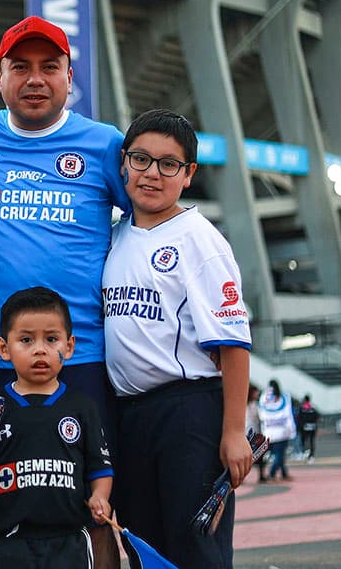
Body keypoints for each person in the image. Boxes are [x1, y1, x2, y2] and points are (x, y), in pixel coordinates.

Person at [0, 15, 129, 566]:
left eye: (50, 67)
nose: (35, 79)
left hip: (84, 358)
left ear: (71, 77)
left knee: (94, 498)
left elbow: (145, 217)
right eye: (20, 67)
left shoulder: (102, 144)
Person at [101, 109, 253, 569]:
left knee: (194, 545)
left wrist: (232, 431)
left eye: (169, 164)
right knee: (144, 546)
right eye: (141, 159)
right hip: (129, 415)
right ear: (123, 163)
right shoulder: (114, 236)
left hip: (188, 412)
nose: (152, 173)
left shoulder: (200, 241)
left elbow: (233, 343)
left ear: (188, 175)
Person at [0, 287, 112, 568]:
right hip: (7, 542)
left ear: (69, 346)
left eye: (52, 339)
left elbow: (100, 467)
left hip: (67, 540)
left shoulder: (81, 406)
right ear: (4, 348)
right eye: (26, 340)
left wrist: (100, 496)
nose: (40, 349)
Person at [259, 381, 295, 482]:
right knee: (279, 455)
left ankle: (284, 473)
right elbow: (288, 415)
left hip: (268, 431)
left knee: (277, 454)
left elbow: (262, 415)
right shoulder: (283, 397)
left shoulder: (264, 397)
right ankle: (272, 473)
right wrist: (292, 430)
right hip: (281, 431)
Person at [245, 387, 266, 482]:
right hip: (253, 433)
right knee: (259, 455)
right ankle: (261, 475)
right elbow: (260, 417)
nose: (257, 394)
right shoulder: (254, 405)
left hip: (247, 432)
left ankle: (244, 477)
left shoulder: (245, 404)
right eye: (256, 393)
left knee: (248, 456)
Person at [297, 394, 320, 463]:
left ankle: (304, 453)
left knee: (303, 441)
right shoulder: (313, 407)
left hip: (304, 427)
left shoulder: (302, 408)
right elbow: (317, 416)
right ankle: (311, 456)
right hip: (312, 426)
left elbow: (299, 418)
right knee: (311, 441)